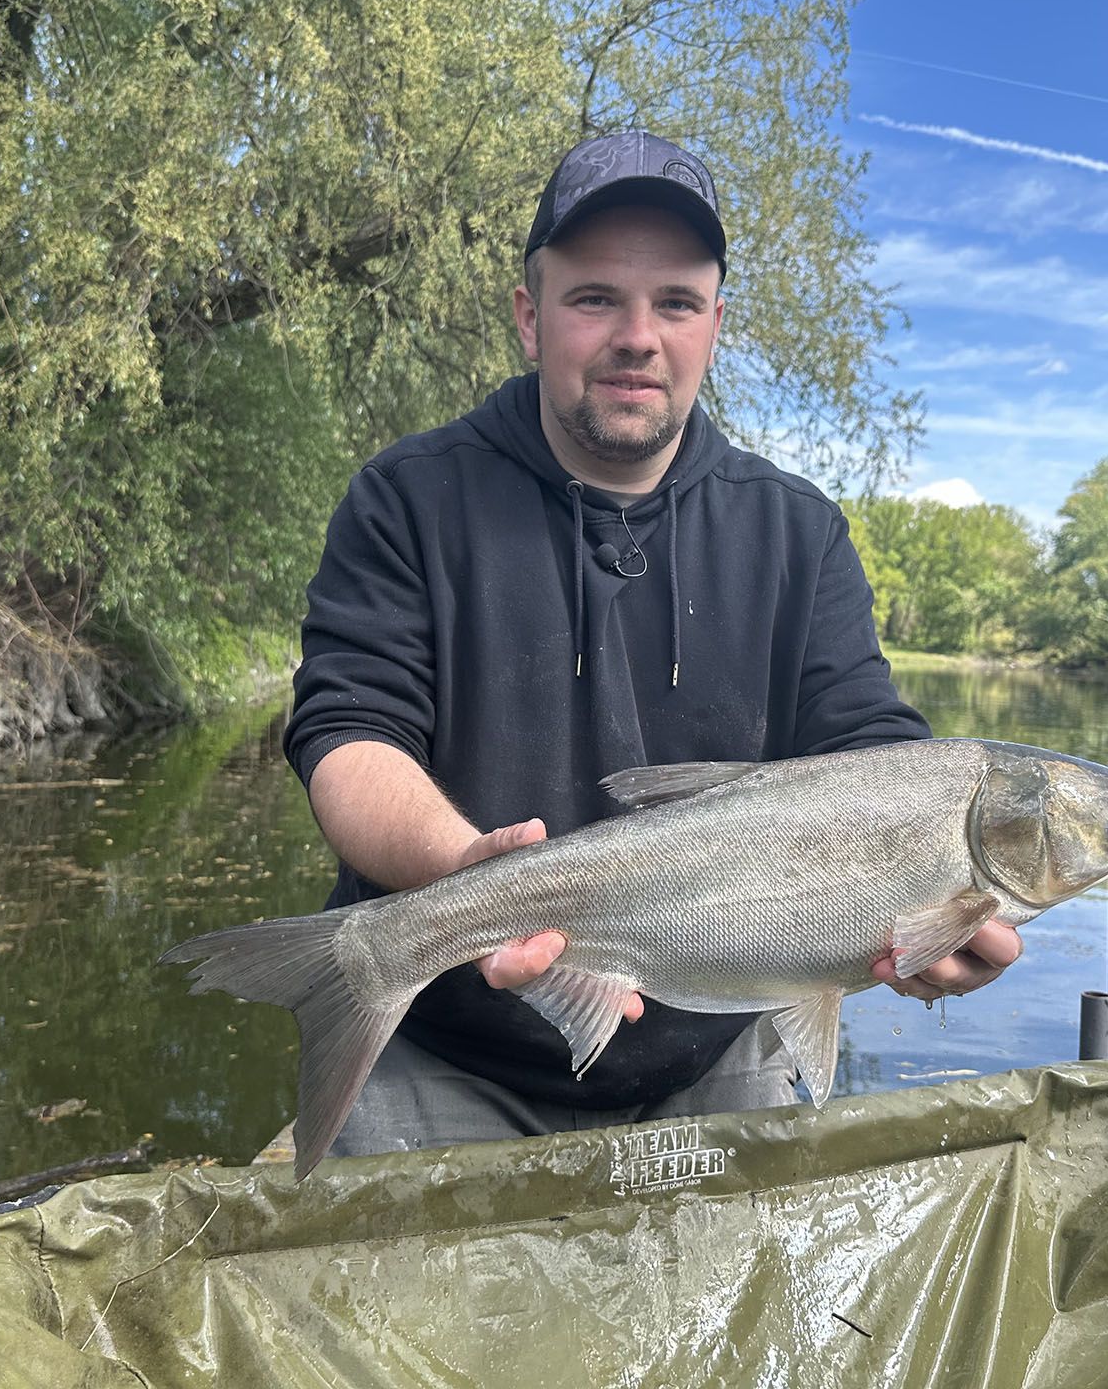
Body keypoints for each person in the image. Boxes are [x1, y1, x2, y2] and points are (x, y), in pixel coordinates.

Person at [282, 130, 1021, 1157]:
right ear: (530, 316)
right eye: (595, 299)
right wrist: (471, 880)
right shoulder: (406, 500)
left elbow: (870, 745)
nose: (639, 335)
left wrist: (926, 892)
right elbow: (348, 739)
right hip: (447, 1055)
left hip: (720, 1056)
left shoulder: (799, 533)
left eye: (675, 302)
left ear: (716, 325)